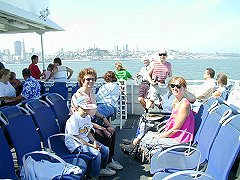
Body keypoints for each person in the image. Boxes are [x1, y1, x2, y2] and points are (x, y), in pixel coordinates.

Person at [70, 68, 123, 171]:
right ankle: (102, 166)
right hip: (82, 126)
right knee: (105, 134)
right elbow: (81, 119)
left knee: (112, 131)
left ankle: (109, 160)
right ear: (82, 80)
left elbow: (94, 110)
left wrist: (103, 118)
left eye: (93, 79)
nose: (91, 81)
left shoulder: (91, 92)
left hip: (91, 121)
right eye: (88, 79)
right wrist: (100, 127)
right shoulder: (78, 96)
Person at [139, 76, 195, 159]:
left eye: (178, 86)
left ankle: (157, 160)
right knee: (147, 136)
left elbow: (176, 129)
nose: (175, 88)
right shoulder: (176, 102)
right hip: (174, 136)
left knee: (147, 141)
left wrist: (160, 136)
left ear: (184, 88)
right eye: (172, 86)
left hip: (180, 140)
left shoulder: (184, 104)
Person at [65, 95, 116, 177]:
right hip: (75, 144)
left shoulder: (87, 117)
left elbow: (88, 132)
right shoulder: (73, 120)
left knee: (106, 150)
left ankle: (101, 169)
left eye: (88, 109)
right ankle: (93, 176)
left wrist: (94, 142)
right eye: (84, 109)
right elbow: (76, 138)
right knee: (96, 153)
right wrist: (91, 145)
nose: (86, 111)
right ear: (78, 107)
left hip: (85, 141)